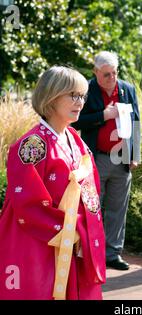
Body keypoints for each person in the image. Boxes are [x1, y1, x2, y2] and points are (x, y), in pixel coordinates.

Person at [0, 66, 106, 300]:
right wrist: (73, 231)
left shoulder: (76, 140)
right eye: (72, 95)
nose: (80, 102)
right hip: (37, 240)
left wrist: (82, 231)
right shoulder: (31, 145)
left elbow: (91, 192)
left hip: (71, 238)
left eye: (82, 96)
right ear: (51, 96)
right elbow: (28, 202)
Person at [72, 51, 141, 271]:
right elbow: (76, 121)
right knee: (91, 208)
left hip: (122, 159)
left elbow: (136, 122)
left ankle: (112, 254)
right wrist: (103, 115)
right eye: (106, 75)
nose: (111, 78)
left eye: (114, 73)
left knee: (117, 210)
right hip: (96, 158)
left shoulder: (127, 90)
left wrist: (135, 154)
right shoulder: (85, 90)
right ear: (95, 72)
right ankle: (88, 253)